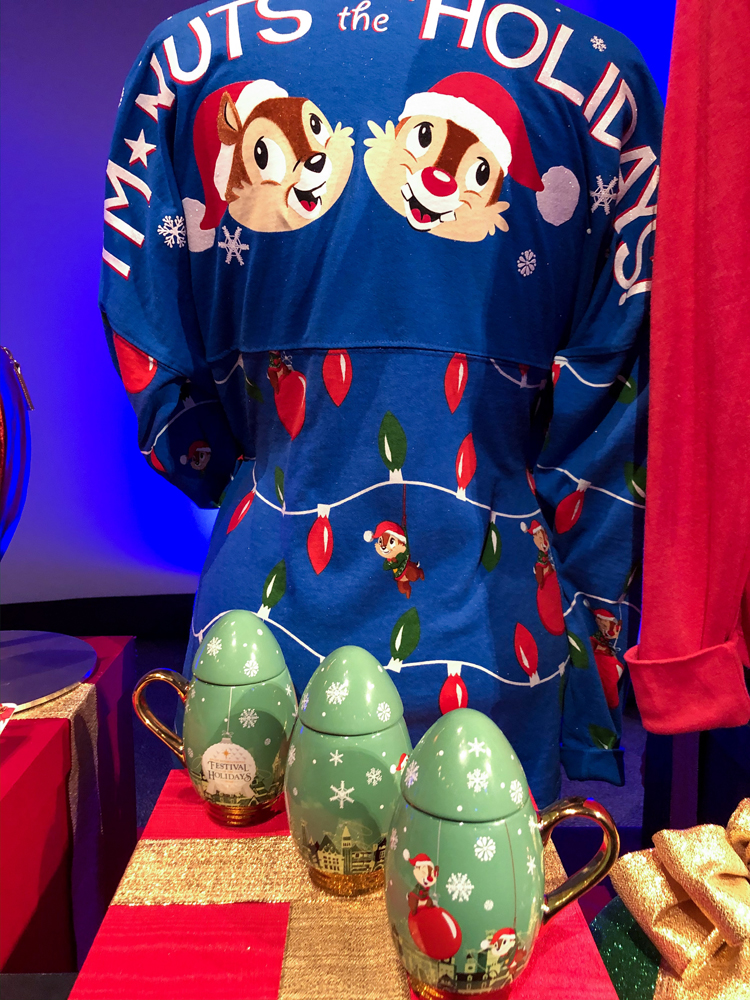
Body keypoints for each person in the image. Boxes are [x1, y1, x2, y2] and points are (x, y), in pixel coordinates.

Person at [101, 0, 661, 806]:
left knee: (238, 921)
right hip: (494, 622)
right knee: (477, 913)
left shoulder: (183, 63)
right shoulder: (598, 77)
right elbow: (616, 413)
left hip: (259, 639)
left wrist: (259, 471)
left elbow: (153, 361)